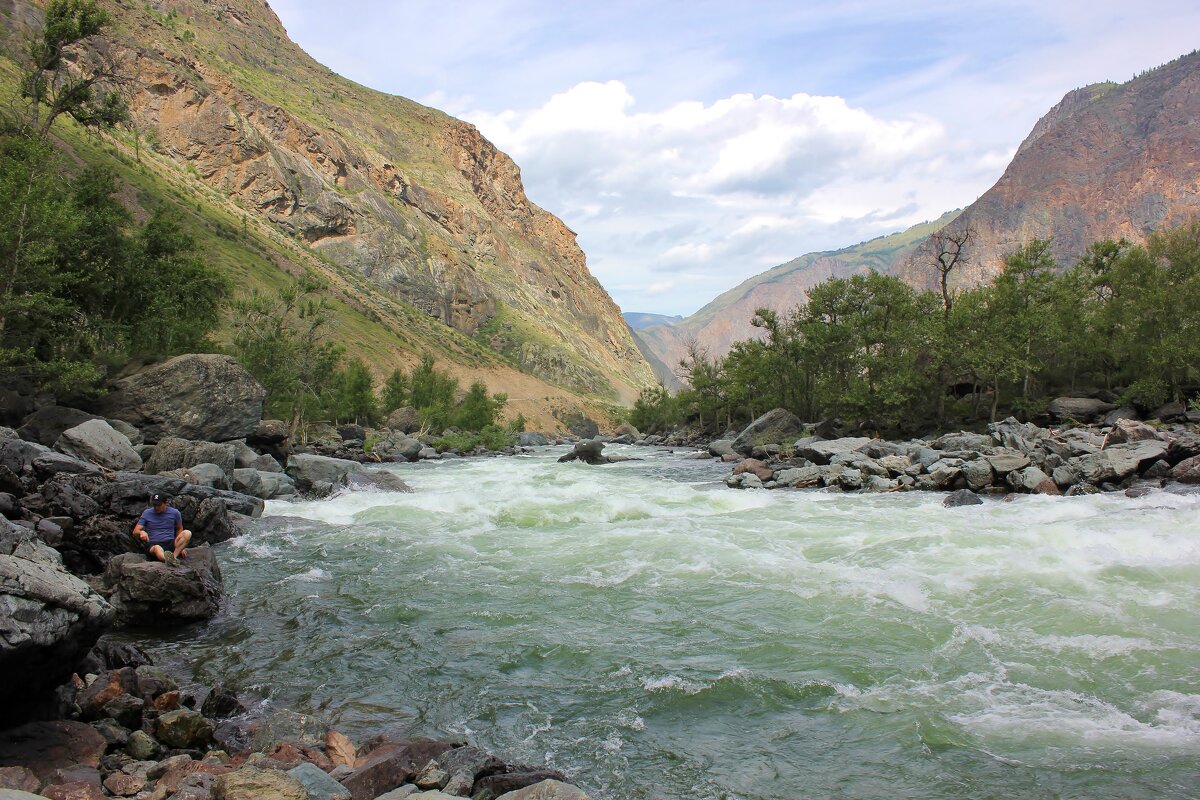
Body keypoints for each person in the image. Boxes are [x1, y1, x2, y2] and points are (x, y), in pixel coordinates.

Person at [133, 492, 191, 566]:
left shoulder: (175, 513)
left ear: (165, 503)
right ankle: (167, 560)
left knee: (187, 533)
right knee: (157, 548)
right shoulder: (147, 513)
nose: (156, 507)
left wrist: (181, 547)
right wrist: (141, 532)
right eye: (154, 505)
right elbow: (135, 531)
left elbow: (179, 528)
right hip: (153, 544)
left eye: (159, 505)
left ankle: (174, 557)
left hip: (170, 543)